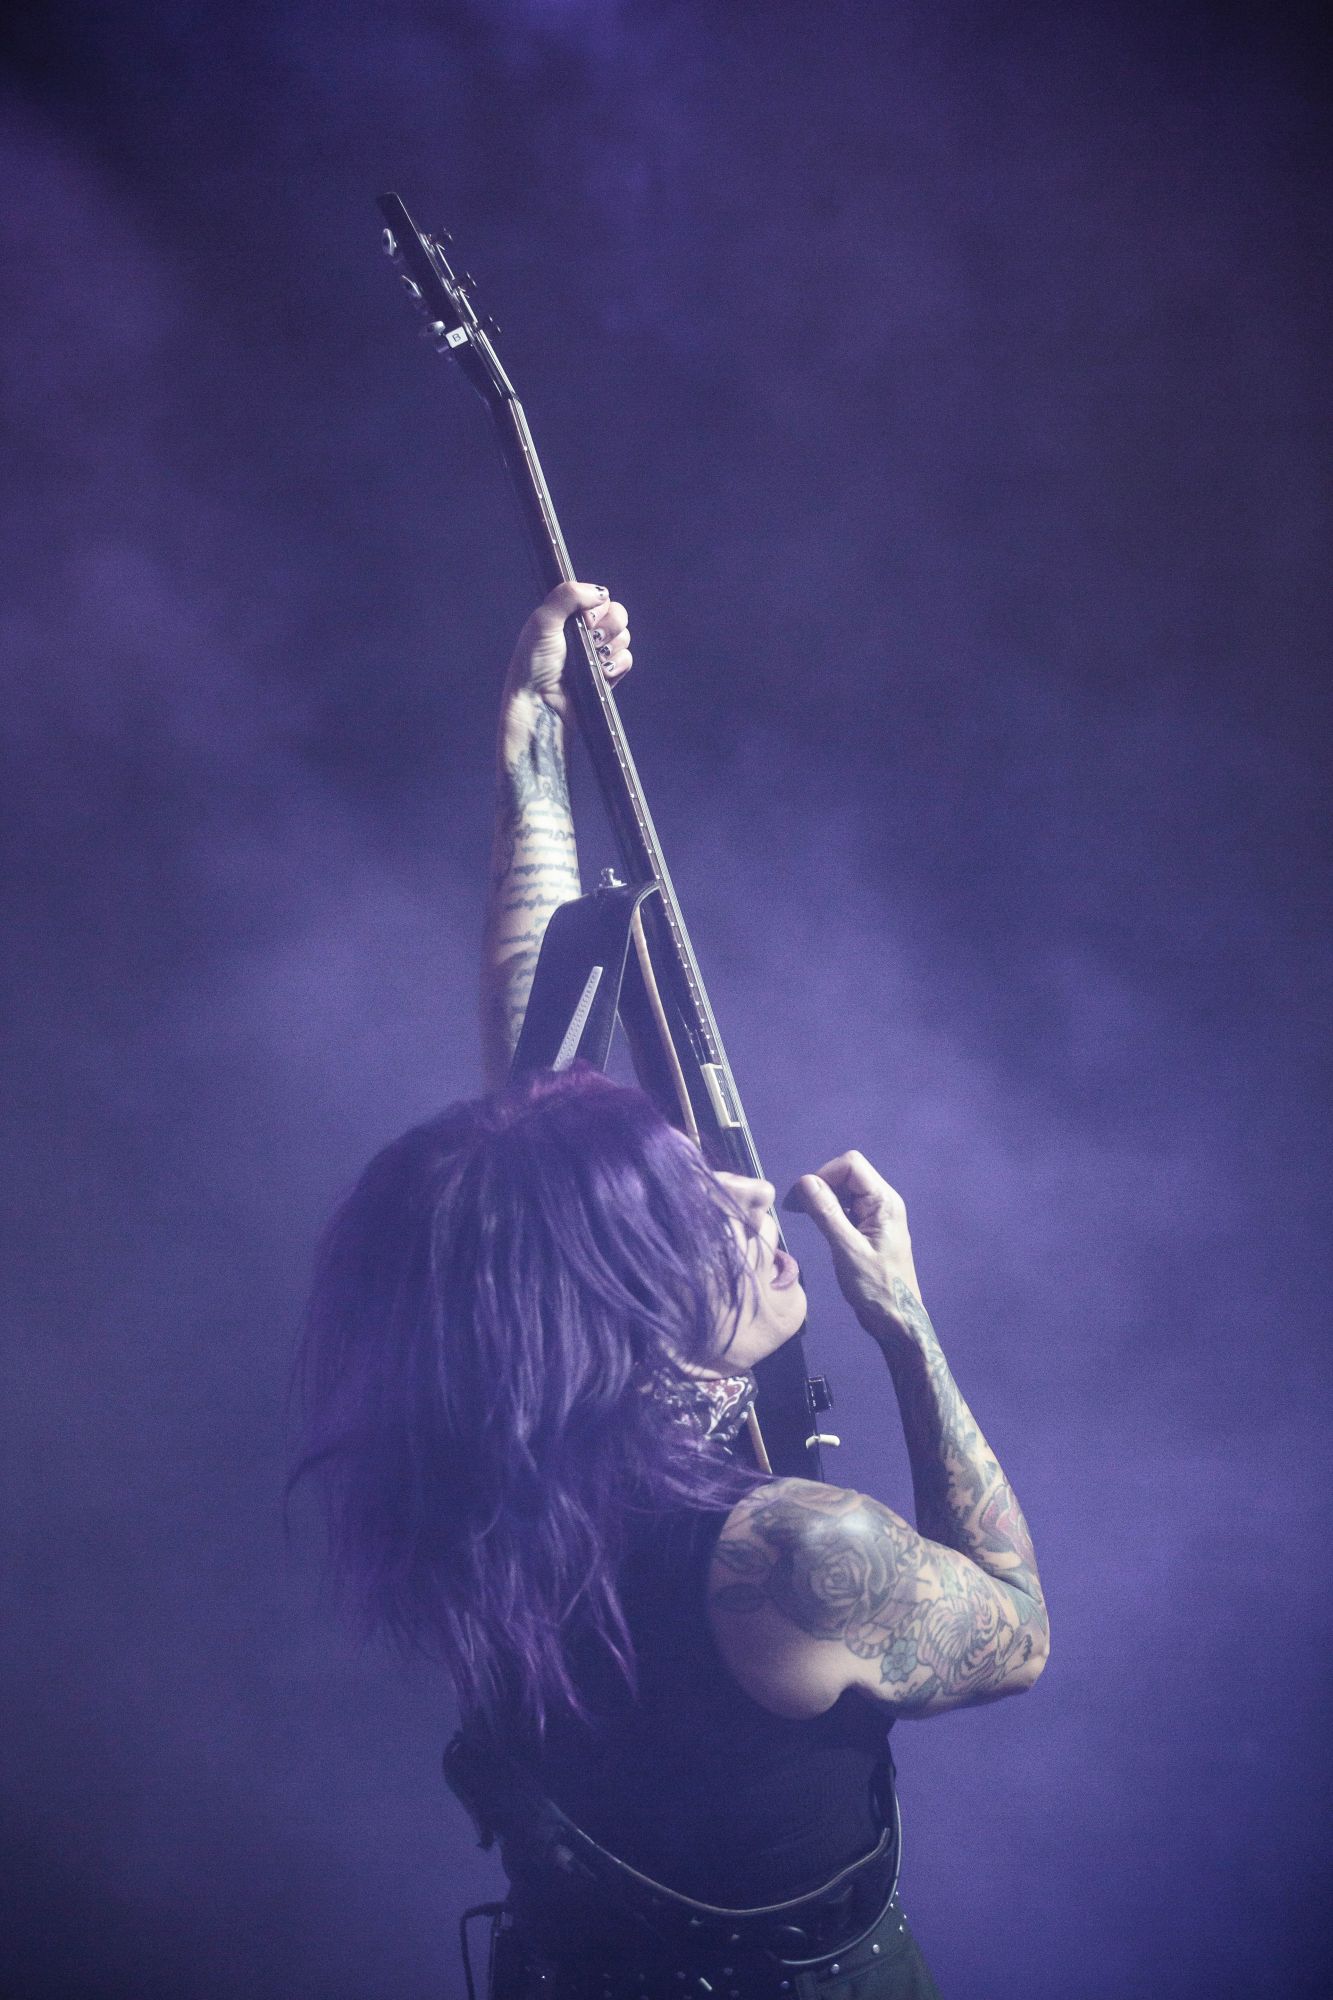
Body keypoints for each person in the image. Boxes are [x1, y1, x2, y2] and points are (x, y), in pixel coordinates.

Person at [295, 584, 1049, 1999]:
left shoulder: (490, 1464)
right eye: (696, 1215)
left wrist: (535, 741)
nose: (753, 1197)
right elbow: (1015, 1628)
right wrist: (907, 1330)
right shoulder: (794, 1554)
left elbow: (534, 1118)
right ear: (625, 1302)